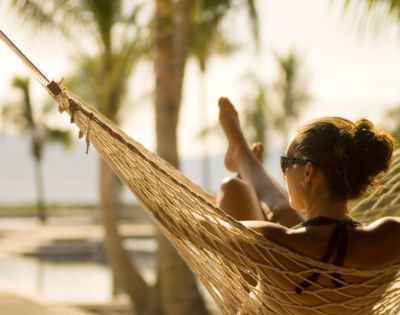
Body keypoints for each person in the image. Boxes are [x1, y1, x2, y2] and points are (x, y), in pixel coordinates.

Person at [216, 96, 400, 314]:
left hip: (255, 301)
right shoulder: (391, 236)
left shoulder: (273, 242)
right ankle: (243, 156)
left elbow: (195, 223)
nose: (283, 174)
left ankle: (243, 158)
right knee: (282, 210)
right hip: (318, 264)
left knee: (233, 189)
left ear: (308, 172)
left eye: (286, 164)